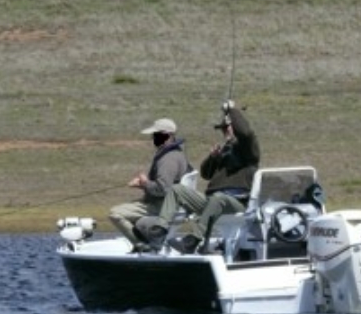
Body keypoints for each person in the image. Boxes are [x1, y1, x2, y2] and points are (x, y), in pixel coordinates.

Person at [135, 100, 260, 253]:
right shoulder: (224, 150)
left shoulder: (248, 149)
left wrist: (231, 110)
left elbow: (246, 132)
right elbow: (205, 174)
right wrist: (213, 158)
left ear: (236, 127)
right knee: (176, 189)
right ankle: (159, 232)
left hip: (237, 202)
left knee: (218, 198)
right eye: (222, 129)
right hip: (212, 202)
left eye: (228, 128)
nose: (225, 131)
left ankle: (193, 240)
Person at [108, 117, 191, 248]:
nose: (153, 138)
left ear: (167, 135)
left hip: (161, 206)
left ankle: (141, 245)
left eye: (156, 135)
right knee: (129, 212)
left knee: (115, 213)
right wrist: (142, 185)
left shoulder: (168, 159)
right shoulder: (176, 154)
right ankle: (149, 239)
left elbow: (162, 189)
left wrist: (145, 183)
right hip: (168, 204)